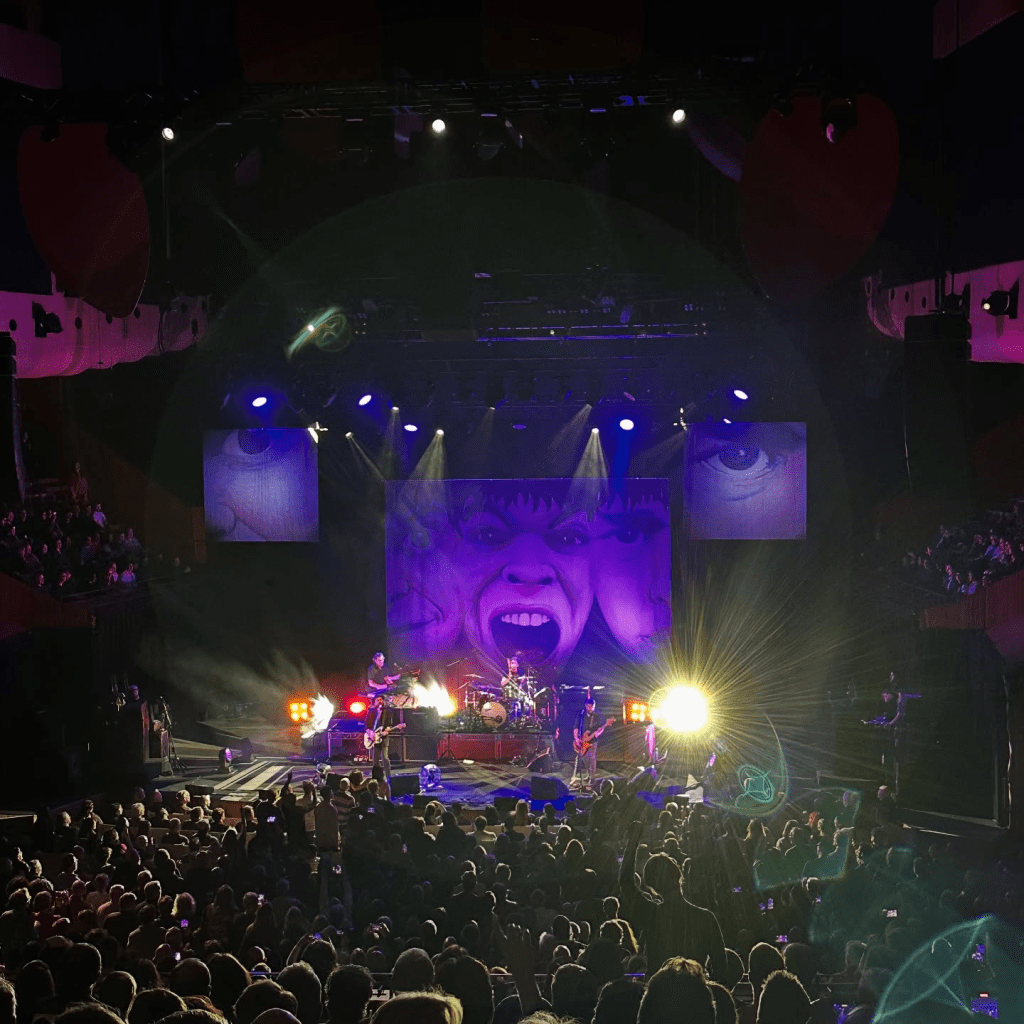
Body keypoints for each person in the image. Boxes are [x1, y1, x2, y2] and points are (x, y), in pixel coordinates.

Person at [618, 820, 727, 979]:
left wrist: (632, 843)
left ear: (652, 887)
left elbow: (625, 881)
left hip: (660, 994)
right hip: (694, 992)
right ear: (679, 875)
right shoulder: (706, 918)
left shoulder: (651, 915)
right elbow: (721, 968)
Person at [572, 694, 610, 792]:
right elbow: (576, 727)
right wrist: (576, 738)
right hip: (582, 740)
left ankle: (592, 780)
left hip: (592, 741)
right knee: (584, 759)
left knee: (592, 758)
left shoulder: (597, 715)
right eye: (589, 706)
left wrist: (597, 734)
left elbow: (601, 728)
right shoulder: (581, 714)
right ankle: (588, 775)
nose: (591, 708)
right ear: (586, 706)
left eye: (592, 706)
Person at [364, 694, 397, 776]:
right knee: (375, 759)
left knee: (385, 758)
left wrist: (387, 730)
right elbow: (366, 725)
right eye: (377, 700)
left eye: (381, 699)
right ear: (374, 702)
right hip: (373, 738)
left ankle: (388, 776)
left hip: (384, 738)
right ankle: (376, 777)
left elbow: (390, 724)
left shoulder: (388, 712)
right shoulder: (371, 711)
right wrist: (370, 732)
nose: (379, 701)